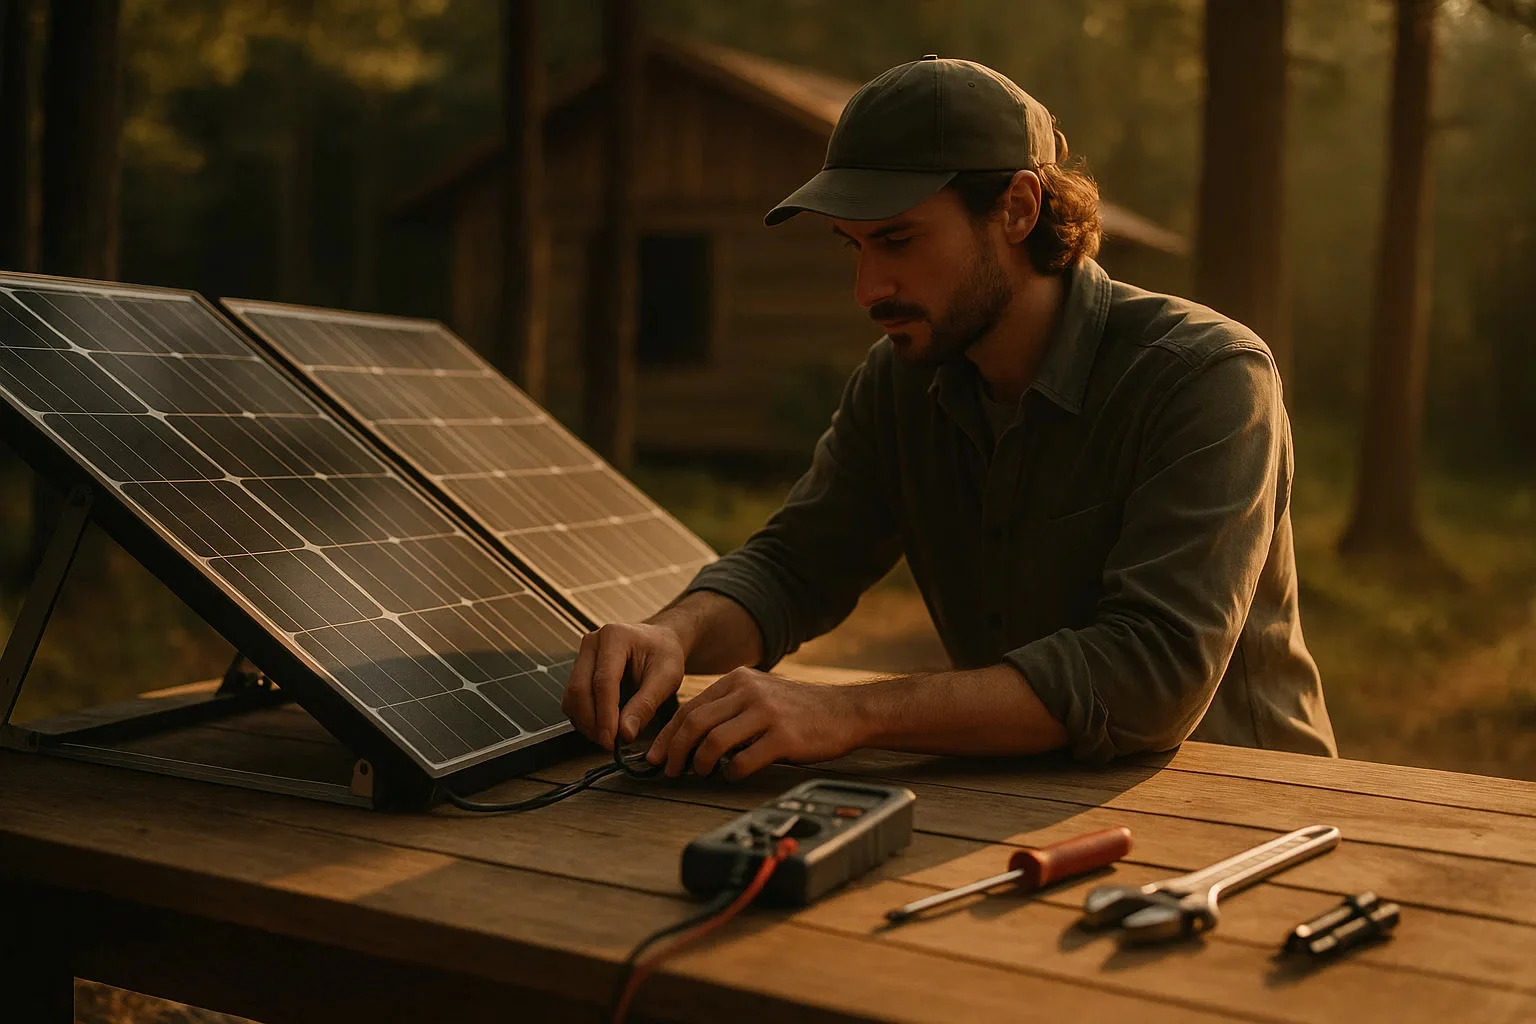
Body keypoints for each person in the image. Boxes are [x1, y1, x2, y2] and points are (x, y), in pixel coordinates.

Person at [562, 54, 1337, 779]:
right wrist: (675, 633)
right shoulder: (903, 382)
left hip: (1254, 815)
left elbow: (1148, 674)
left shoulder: (1206, 377)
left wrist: (848, 712)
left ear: (1019, 208)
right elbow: (794, 566)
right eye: (853, 247)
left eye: (897, 240)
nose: (868, 289)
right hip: (1026, 806)